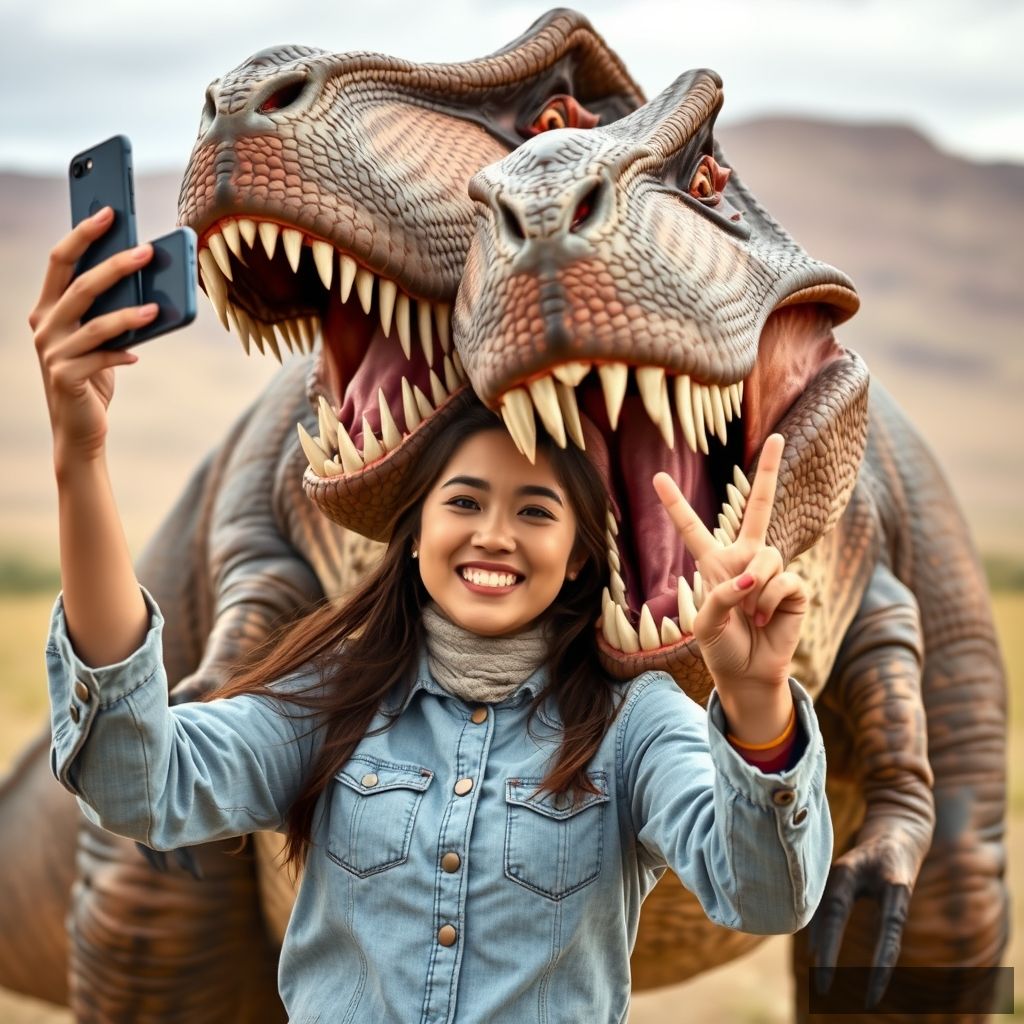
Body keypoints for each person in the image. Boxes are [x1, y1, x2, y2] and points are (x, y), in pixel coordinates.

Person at [32, 208, 832, 1022]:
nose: (494, 534)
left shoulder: (634, 727)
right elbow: (138, 783)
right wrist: (80, 458)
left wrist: (757, 702)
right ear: (414, 536)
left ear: (581, 556)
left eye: (535, 512)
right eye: (464, 501)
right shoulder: (331, 700)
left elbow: (763, 896)